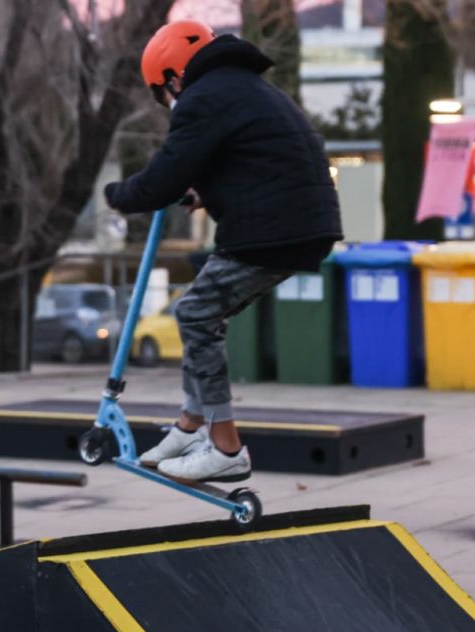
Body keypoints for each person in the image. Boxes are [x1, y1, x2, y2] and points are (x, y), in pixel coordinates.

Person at [104, 20, 342, 483]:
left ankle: (225, 446)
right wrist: (205, 195)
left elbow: (166, 175)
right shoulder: (247, 88)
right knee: (201, 313)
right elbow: (255, 162)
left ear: (173, 77)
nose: (169, 103)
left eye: (163, 94)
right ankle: (192, 424)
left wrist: (120, 194)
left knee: (195, 313)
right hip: (298, 224)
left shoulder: (203, 96)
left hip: (275, 230)